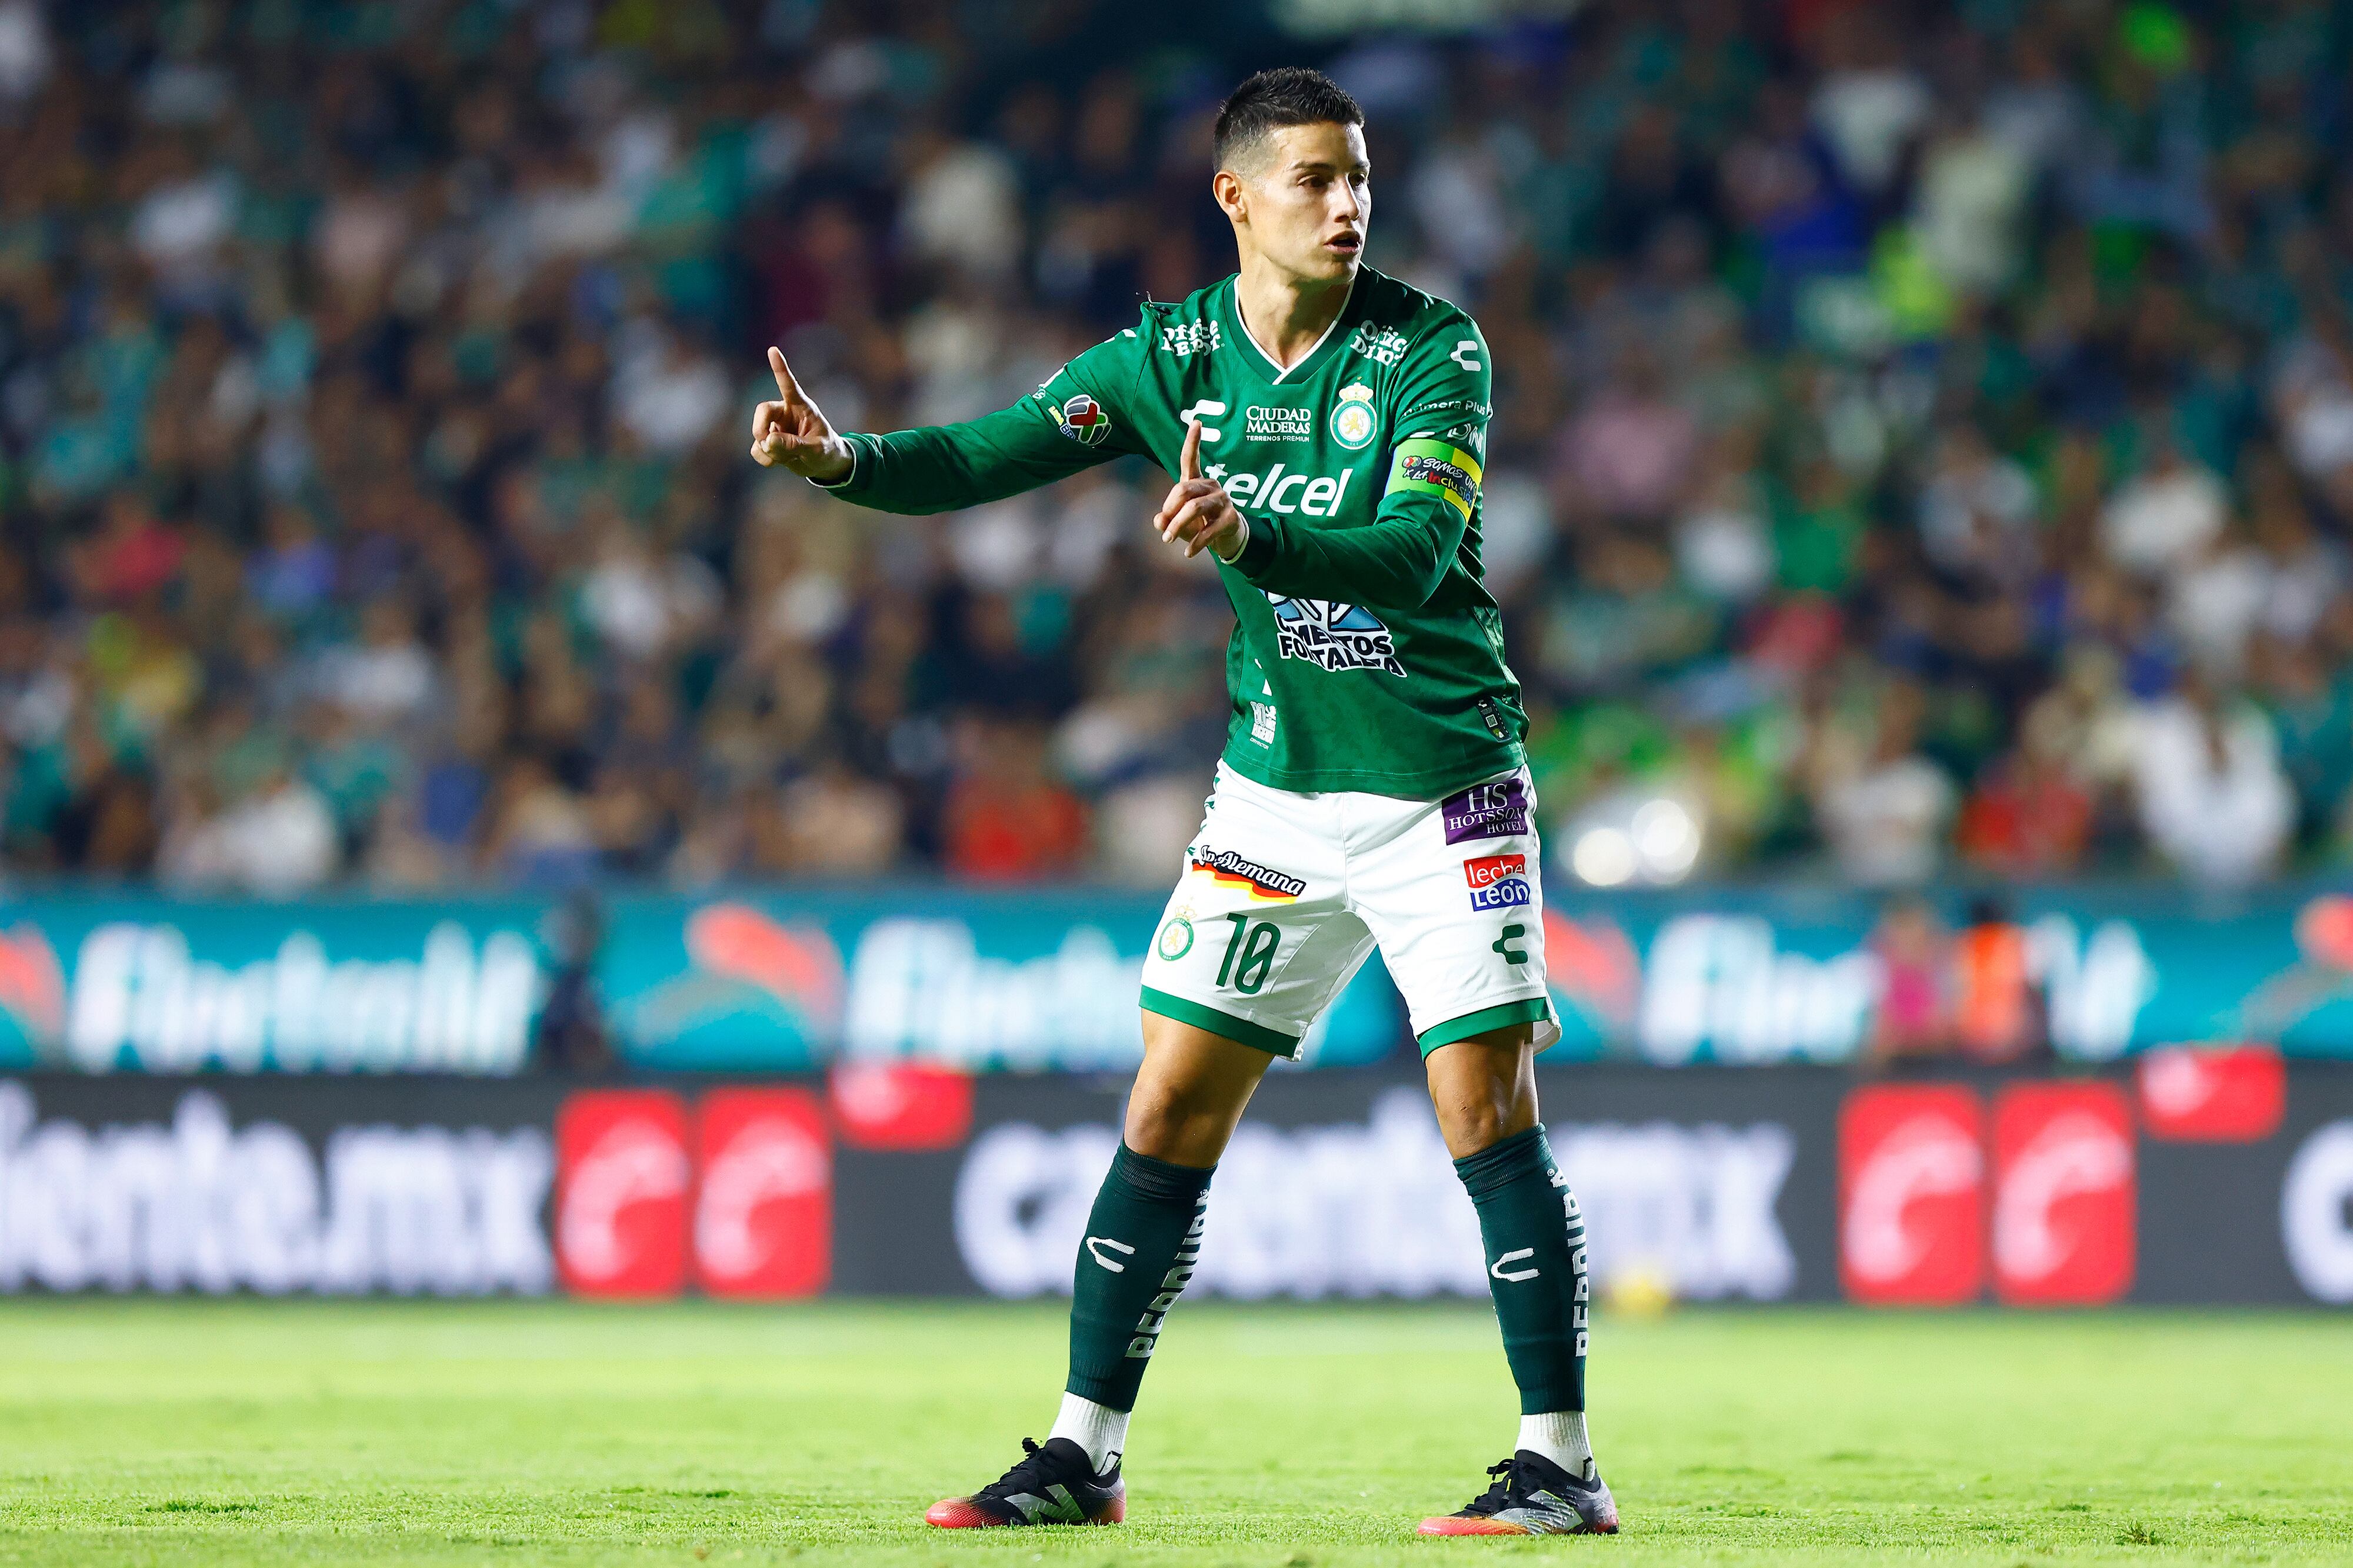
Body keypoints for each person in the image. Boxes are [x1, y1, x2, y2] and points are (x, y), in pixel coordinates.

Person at [751, 68, 1614, 1539]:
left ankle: (1558, 1465)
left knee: (1479, 1107)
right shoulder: (1169, 358)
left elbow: (1412, 553)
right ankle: (1083, 1452)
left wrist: (1252, 528)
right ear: (1234, 196)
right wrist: (844, 466)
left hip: (1440, 787)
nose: (1347, 203)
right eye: (1312, 179)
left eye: (1359, 178)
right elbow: (984, 454)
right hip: (1274, 794)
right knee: (1164, 1103)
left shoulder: (1428, 349)